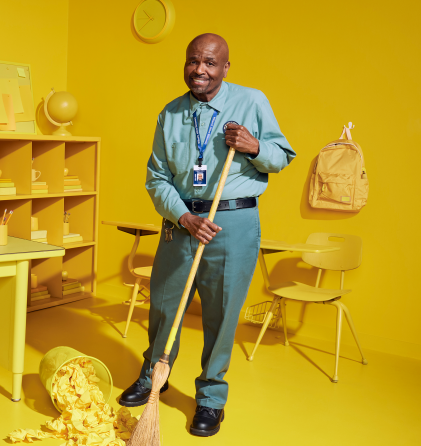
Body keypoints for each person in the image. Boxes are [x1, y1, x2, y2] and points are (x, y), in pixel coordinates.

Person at [117, 33, 295, 437]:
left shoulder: (252, 101)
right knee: (164, 307)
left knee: (221, 313)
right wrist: (182, 216)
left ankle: (211, 398)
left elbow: (281, 156)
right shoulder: (170, 113)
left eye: (210, 63)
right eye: (193, 61)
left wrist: (253, 147)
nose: (200, 69)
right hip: (182, 224)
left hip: (231, 225)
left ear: (226, 67)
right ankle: (152, 378)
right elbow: (157, 178)